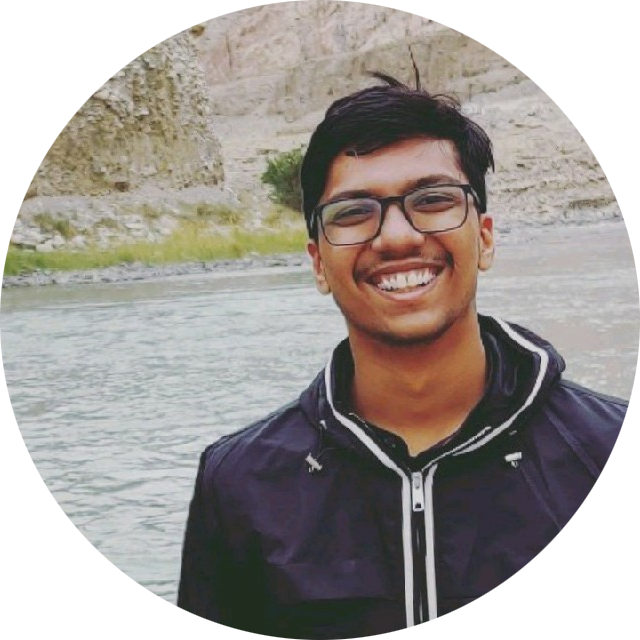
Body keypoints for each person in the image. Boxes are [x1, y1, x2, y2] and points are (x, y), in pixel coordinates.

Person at [176, 74, 625, 632]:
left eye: (432, 200)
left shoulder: (601, 447)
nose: (396, 237)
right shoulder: (239, 483)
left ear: (484, 238)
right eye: (353, 212)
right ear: (318, 263)